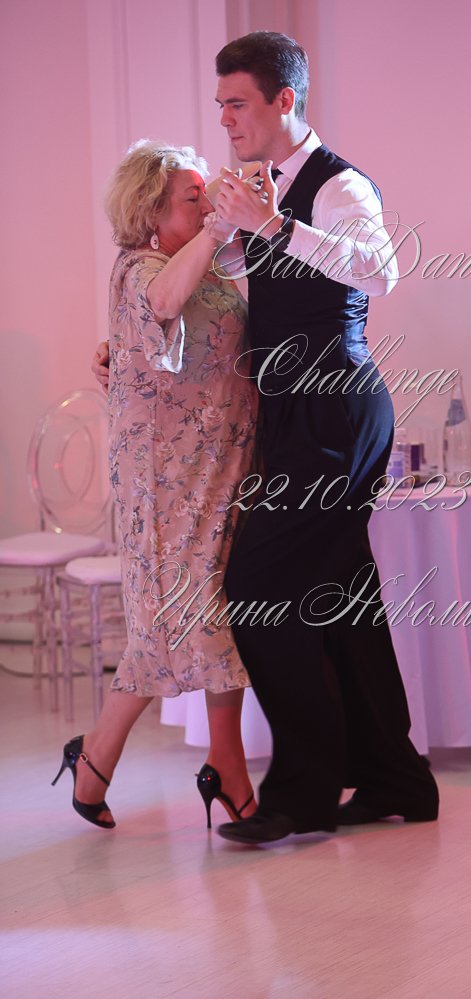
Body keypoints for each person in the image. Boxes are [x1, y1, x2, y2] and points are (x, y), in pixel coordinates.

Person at [208, 32, 439, 844]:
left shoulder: (338, 184)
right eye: (220, 105)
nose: (226, 118)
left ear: (284, 101)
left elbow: (381, 271)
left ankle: (303, 794)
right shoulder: (260, 187)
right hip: (294, 414)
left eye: (238, 103)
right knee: (341, 598)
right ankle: (394, 778)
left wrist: (273, 225)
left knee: (257, 591)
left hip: (336, 410)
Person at [54, 140, 258, 830]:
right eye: (192, 196)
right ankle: (227, 766)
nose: (206, 203)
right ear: (150, 211)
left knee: (183, 618)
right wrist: (215, 231)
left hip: (221, 462)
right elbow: (161, 303)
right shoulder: (139, 267)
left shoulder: (208, 261)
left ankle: (95, 759)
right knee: (200, 610)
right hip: (165, 478)